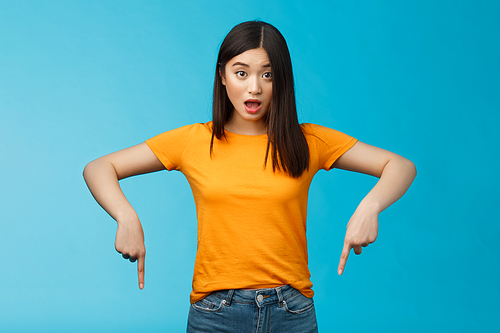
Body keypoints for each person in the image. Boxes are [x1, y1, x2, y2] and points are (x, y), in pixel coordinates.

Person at [83, 21, 416, 333]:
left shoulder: (307, 141)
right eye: (241, 73)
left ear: (280, 80)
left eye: (267, 75)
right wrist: (125, 216)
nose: (254, 88)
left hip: (292, 312)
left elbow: (400, 166)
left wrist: (369, 207)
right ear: (223, 76)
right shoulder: (194, 141)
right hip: (215, 312)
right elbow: (99, 168)